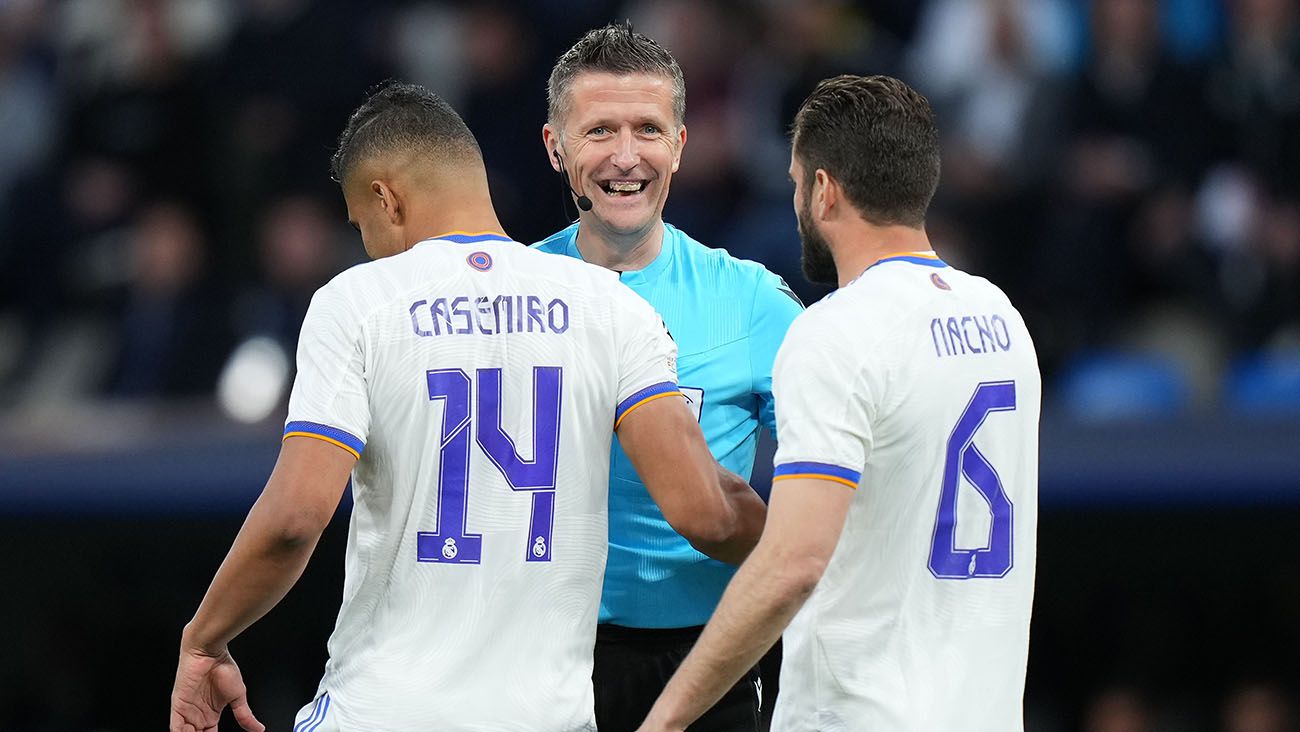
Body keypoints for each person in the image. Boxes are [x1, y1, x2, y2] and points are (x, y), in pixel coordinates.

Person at [168, 81, 766, 732]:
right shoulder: (616, 309)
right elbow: (705, 512)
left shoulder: (359, 301)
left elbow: (294, 519)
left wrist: (205, 638)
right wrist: (798, 543)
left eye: (359, 223)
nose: (365, 242)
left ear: (385, 198)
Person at [638, 74, 1042, 732]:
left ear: (824, 190)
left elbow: (793, 562)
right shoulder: (1002, 321)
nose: (797, 200)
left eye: (798, 182)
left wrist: (667, 718)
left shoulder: (836, 331)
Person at [535, 23, 804, 732]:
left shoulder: (754, 302)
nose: (627, 157)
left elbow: (837, 485)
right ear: (555, 147)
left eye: (648, 129)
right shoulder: (508, 295)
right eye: (599, 131)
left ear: (680, 147)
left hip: (706, 661)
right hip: (533, 658)